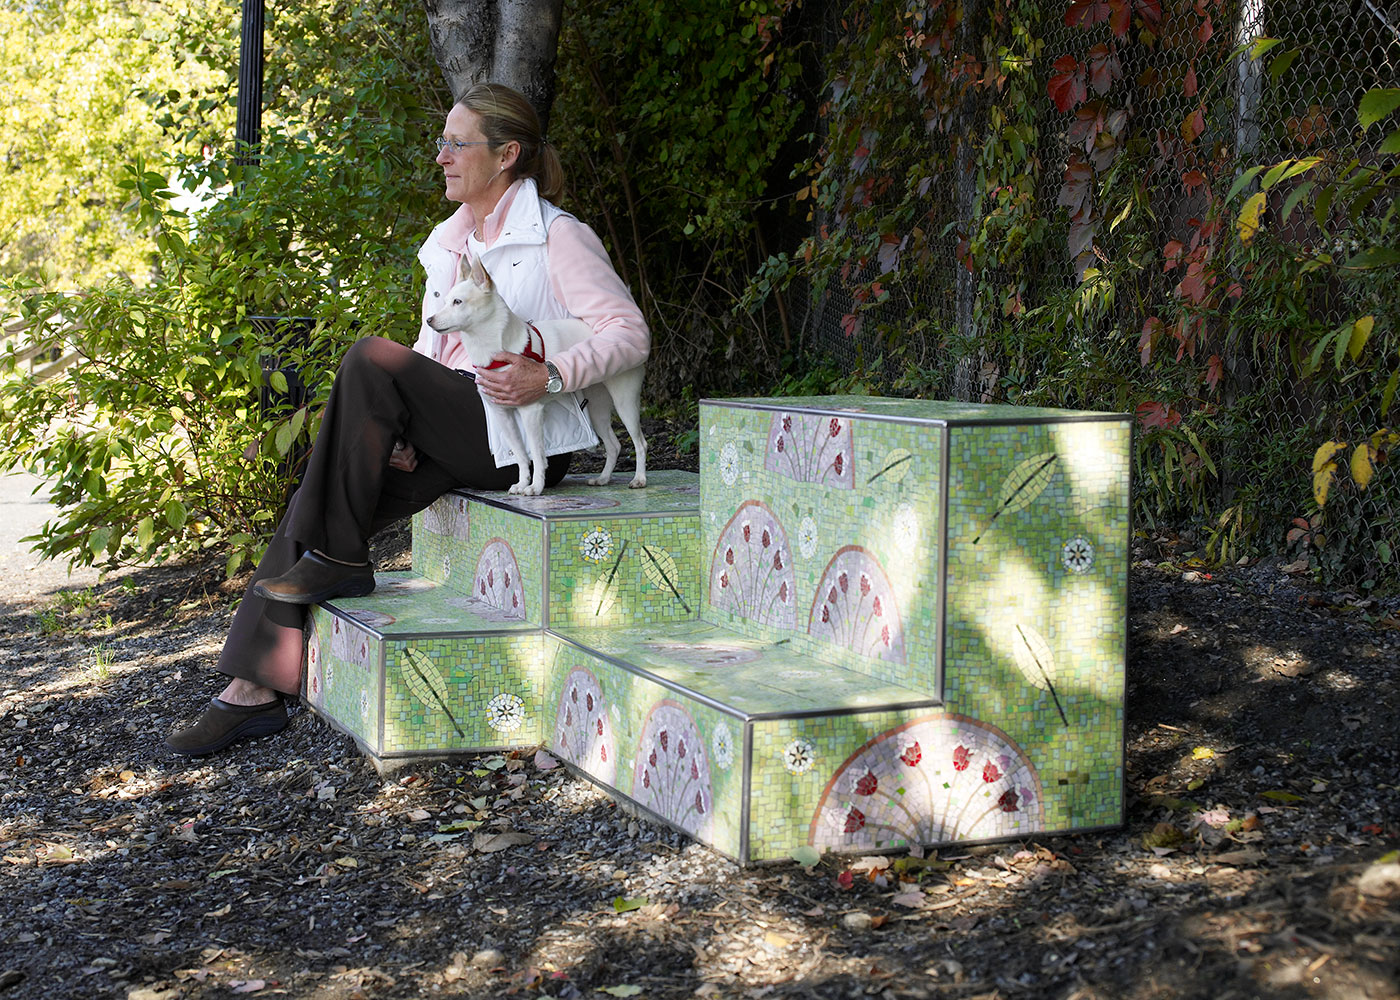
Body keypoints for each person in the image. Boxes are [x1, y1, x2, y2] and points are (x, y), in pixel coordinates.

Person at [165, 83, 650, 755]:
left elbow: (627, 332)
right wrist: (388, 428)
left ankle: (334, 566)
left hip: (526, 433)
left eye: (457, 143)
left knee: (369, 359)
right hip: (455, 417)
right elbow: (432, 352)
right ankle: (251, 691)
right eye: (441, 142)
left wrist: (553, 372)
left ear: (507, 154)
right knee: (327, 485)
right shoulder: (450, 243)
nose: (442, 156)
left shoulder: (558, 238)